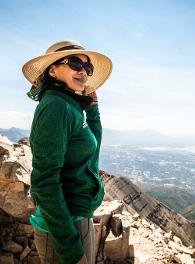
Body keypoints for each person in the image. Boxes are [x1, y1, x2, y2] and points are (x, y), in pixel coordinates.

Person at [22, 40, 112, 264]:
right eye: (75, 63)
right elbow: (44, 184)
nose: (83, 72)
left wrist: (93, 110)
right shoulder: (56, 107)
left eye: (88, 68)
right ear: (52, 70)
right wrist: (71, 251)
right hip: (64, 228)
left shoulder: (70, 105)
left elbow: (91, 151)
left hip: (77, 218)